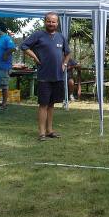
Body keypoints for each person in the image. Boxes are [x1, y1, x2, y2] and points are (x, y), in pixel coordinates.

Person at [21, 12, 70, 141]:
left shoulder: (61, 37)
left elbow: (68, 53)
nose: (51, 23)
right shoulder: (38, 35)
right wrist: (35, 57)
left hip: (57, 76)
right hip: (44, 76)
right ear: (45, 22)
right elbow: (24, 46)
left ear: (57, 23)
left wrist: (64, 64)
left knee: (51, 105)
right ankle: (42, 133)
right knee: (43, 105)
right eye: (49, 21)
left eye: (53, 21)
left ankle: (50, 131)